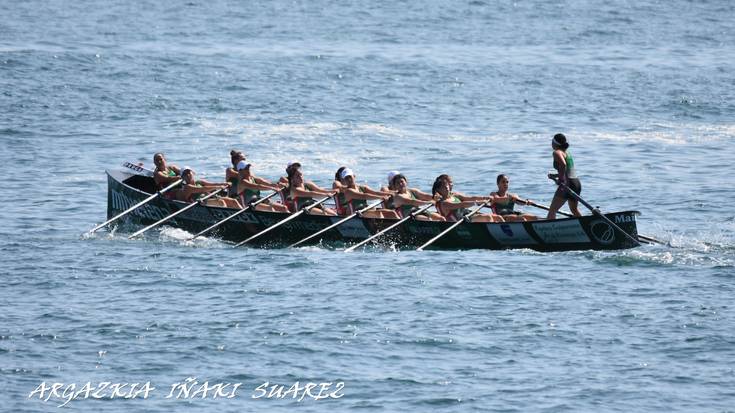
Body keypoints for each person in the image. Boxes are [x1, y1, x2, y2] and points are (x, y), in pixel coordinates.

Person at [432, 175, 504, 223]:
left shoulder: (454, 195)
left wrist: (484, 198)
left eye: (447, 186)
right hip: (461, 222)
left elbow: (470, 198)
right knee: (487, 217)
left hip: (468, 215)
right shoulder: (443, 203)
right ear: (438, 190)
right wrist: (477, 203)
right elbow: (461, 205)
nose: (447, 188)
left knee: (498, 217)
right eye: (444, 187)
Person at [546, 133, 582, 219]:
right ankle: (586, 225)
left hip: (567, 184)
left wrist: (561, 179)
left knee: (552, 210)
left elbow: (563, 164)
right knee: (574, 209)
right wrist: (556, 175)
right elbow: (568, 171)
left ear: (554, 143)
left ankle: (550, 231)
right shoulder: (567, 153)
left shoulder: (556, 152)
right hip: (576, 182)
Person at [175, 168, 241, 208]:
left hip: (208, 198)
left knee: (233, 201)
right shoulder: (187, 187)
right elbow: (203, 189)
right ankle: (228, 221)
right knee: (221, 202)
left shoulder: (199, 182)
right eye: (185, 174)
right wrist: (218, 187)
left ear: (193, 173)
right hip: (198, 204)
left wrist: (225, 183)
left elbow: (212, 184)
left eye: (189, 172)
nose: (188, 175)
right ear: (183, 178)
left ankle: (245, 215)